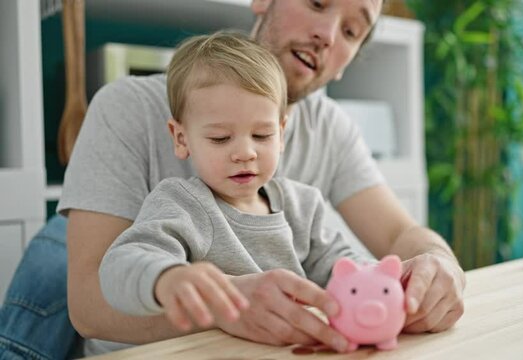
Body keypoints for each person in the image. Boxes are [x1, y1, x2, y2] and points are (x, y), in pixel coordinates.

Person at [0, 0, 465, 358]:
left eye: (351, 30)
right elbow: (91, 300)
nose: (326, 33)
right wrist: (212, 301)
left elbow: (389, 239)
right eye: (317, 2)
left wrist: (434, 265)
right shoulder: (166, 177)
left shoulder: (309, 181)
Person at [99, 31, 368, 340]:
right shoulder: (181, 204)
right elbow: (117, 267)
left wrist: (378, 280)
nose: (245, 153)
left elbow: (344, 267)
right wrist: (167, 278)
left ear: (281, 134)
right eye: (220, 138)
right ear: (181, 138)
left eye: (262, 135)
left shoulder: (303, 206)